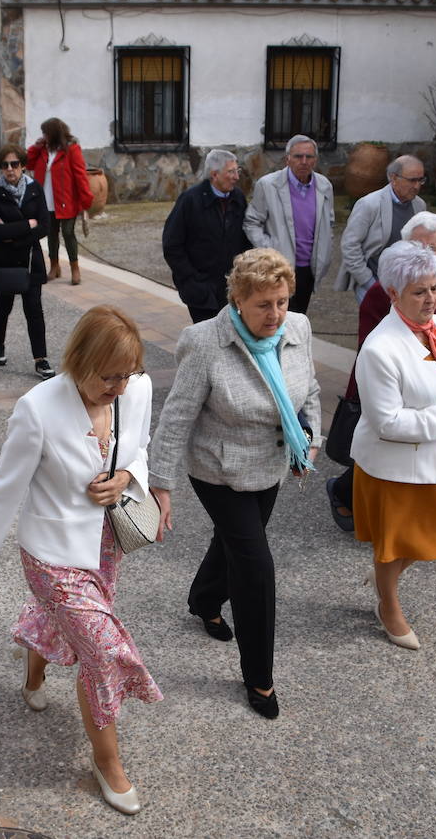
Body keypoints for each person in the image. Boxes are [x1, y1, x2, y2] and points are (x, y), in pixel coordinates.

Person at [0, 305, 163, 816]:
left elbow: (141, 448)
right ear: (79, 361)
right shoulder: (37, 408)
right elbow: (6, 488)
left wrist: (128, 477)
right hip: (50, 554)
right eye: (108, 376)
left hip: (105, 545)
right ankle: (107, 762)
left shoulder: (138, 389)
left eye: (126, 375)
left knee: (66, 625)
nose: (119, 386)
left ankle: (32, 676)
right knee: (103, 651)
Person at [148, 248, 322, 719]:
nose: (276, 314)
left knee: (235, 545)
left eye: (283, 301)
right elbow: (177, 416)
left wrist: (310, 437)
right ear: (238, 300)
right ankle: (260, 679)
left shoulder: (298, 328)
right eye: (264, 304)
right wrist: (158, 484)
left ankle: (203, 599)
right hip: (218, 470)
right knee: (255, 565)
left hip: (271, 465)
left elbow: (309, 391)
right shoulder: (205, 342)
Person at [350, 241, 436, 651]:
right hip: (394, 466)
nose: (430, 298)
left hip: (434, 455)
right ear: (392, 293)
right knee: (395, 545)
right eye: (419, 292)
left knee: (427, 539)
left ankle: (384, 582)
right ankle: (389, 607)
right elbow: (385, 421)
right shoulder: (379, 348)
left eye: (434, 288)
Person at [325, 213, 436, 529]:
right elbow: (375, 346)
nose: (424, 254)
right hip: (386, 381)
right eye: (418, 245)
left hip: (424, 388)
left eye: (433, 249)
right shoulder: (382, 295)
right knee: (377, 454)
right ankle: (344, 492)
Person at [0, 144, 54, 380]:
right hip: (4, 260)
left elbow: (44, 225)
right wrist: (27, 225)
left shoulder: (35, 189)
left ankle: (40, 359)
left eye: (14, 164)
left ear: (23, 165)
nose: (10, 169)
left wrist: (13, 234)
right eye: (5, 165)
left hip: (30, 258)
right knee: (3, 306)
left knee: (34, 309)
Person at [242, 135, 334, 314]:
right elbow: (252, 222)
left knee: (298, 320)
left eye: (309, 157)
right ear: (288, 159)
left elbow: (329, 223)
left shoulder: (324, 186)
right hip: (278, 267)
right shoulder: (268, 185)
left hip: (309, 268)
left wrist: (326, 251)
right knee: (276, 319)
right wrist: (270, 249)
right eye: (298, 156)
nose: (304, 161)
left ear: (315, 160)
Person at [162, 149, 250, 323]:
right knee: (206, 338)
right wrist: (191, 279)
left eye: (237, 171)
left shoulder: (238, 198)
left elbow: (245, 240)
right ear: (214, 174)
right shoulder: (190, 200)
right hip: (201, 290)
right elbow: (172, 244)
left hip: (231, 288)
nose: (236, 177)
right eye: (231, 172)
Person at [333, 155, 428, 301]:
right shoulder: (369, 204)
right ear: (394, 178)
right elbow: (350, 245)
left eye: (420, 180)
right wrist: (368, 281)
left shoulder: (419, 205)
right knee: (375, 322)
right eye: (412, 180)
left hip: (406, 284)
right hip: (373, 280)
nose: (417, 186)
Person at [26, 117, 93, 285]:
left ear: (54, 133)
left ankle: (74, 268)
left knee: (68, 233)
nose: (44, 136)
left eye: (46, 133)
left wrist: (86, 200)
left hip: (66, 200)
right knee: (51, 235)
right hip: (46, 199)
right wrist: (36, 146)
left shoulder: (71, 150)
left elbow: (80, 176)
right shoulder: (43, 150)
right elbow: (29, 163)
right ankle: (54, 266)